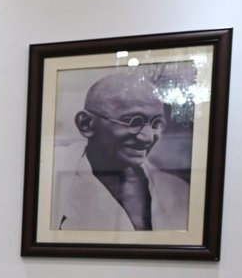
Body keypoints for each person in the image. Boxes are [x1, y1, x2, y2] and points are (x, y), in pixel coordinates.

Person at [51, 70, 190, 231]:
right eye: (133, 121)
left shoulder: (177, 190)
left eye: (156, 123)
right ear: (86, 124)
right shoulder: (49, 176)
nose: (147, 138)